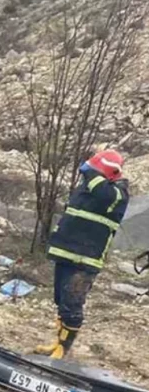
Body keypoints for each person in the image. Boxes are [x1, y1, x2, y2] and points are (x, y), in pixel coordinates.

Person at [35, 149, 131, 359]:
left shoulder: (117, 194)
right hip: (66, 253)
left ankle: (63, 349)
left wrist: (91, 172)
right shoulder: (88, 190)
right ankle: (57, 343)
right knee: (61, 300)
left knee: (72, 303)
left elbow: (103, 193)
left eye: (95, 172)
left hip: (86, 260)